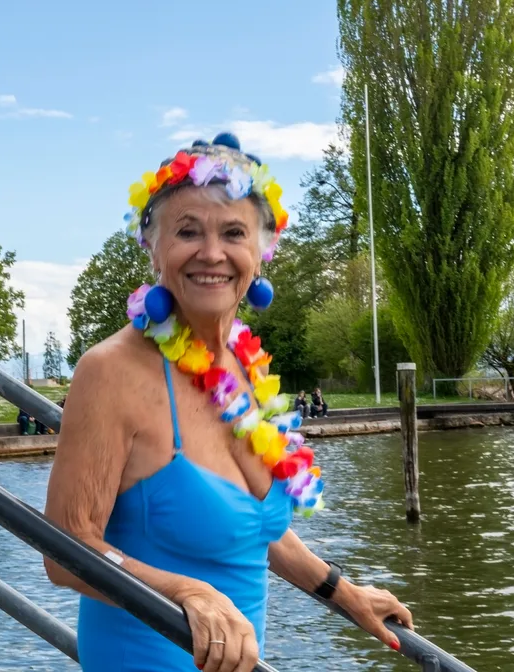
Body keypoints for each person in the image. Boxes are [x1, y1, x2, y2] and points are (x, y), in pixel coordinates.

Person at [44, 134, 412, 671]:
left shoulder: (242, 364)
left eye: (233, 233)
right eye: (187, 231)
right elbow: (66, 551)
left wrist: (341, 591)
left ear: (261, 252)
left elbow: (253, 527)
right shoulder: (112, 371)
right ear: (152, 245)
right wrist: (187, 592)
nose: (212, 253)